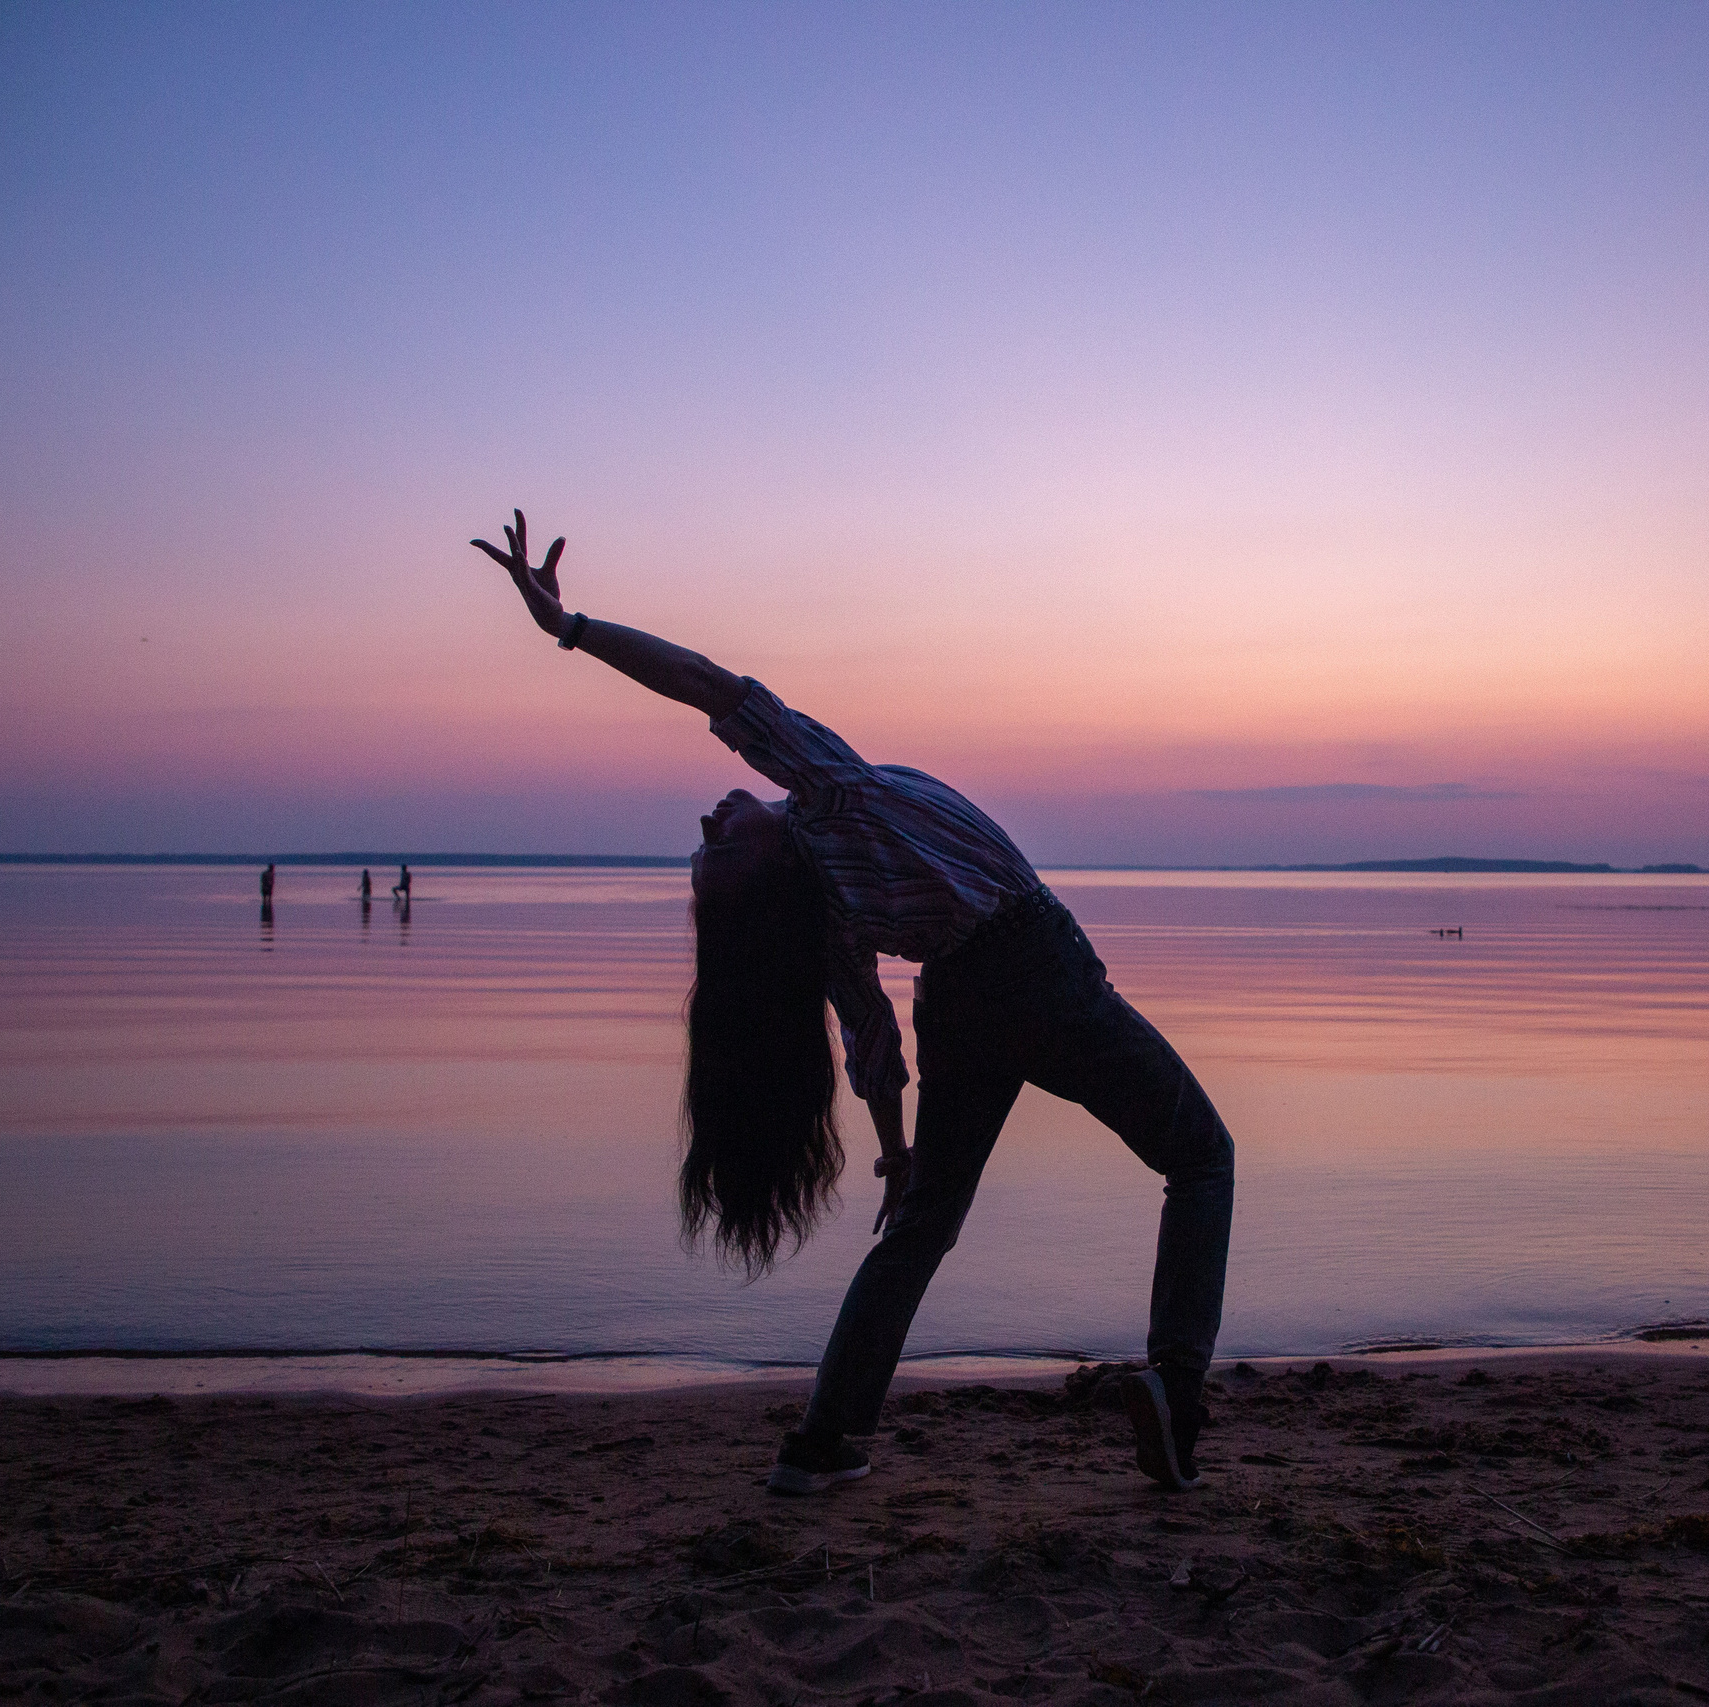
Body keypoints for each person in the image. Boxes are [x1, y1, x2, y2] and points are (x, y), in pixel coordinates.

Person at [472, 510, 1234, 1496]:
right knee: (1202, 1155)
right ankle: (1176, 1387)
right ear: (765, 875)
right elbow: (702, 682)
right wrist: (569, 630)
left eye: (706, 840)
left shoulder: (820, 921)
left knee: (921, 1228)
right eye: (717, 852)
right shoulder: (823, 793)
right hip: (1030, 964)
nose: (710, 821)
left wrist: (897, 1149)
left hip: (960, 1000)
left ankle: (826, 1441)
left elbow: (872, 1043)